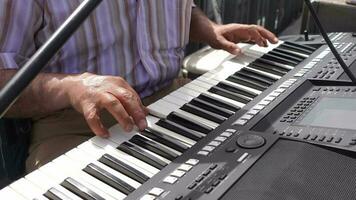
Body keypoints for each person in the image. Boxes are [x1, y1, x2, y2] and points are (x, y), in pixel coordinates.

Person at [0, 0, 278, 173]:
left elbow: (183, 7)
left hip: (174, 96)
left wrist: (209, 29)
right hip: (79, 125)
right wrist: (73, 88)